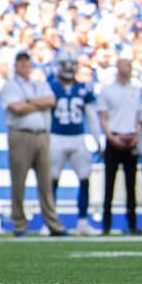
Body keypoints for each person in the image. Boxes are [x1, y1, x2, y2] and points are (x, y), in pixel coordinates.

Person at [2, 51, 65, 237]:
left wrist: (28, 102)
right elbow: (16, 108)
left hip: (42, 136)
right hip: (20, 135)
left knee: (46, 182)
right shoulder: (11, 85)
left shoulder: (40, 83)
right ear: (15, 65)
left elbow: (51, 101)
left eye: (26, 62)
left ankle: (53, 223)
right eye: (20, 62)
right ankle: (19, 223)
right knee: (19, 182)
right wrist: (38, 104)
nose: (24, 65)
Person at [48, 54, 101, 235]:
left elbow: (92, 117)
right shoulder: (51, 87)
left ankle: (83, 222)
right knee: (52, 179)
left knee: (84, 177)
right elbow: (46, 116)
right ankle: (51, 221)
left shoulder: (83, 89)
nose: (69, 70)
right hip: (56, 136)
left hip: (78, 137)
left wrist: (97, 139)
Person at [98, 56, 142, 235]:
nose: (129, 68)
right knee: (109, 183)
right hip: (114, 138)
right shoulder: (107, 91)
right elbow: (103, 117)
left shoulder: (137, 91)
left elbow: (140, 118)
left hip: (131, 139)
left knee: (131, 185)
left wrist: (136, 136)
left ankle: (132, 224)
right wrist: (111, 137)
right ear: (118, 67)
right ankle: (106, 225)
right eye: (126, 65)